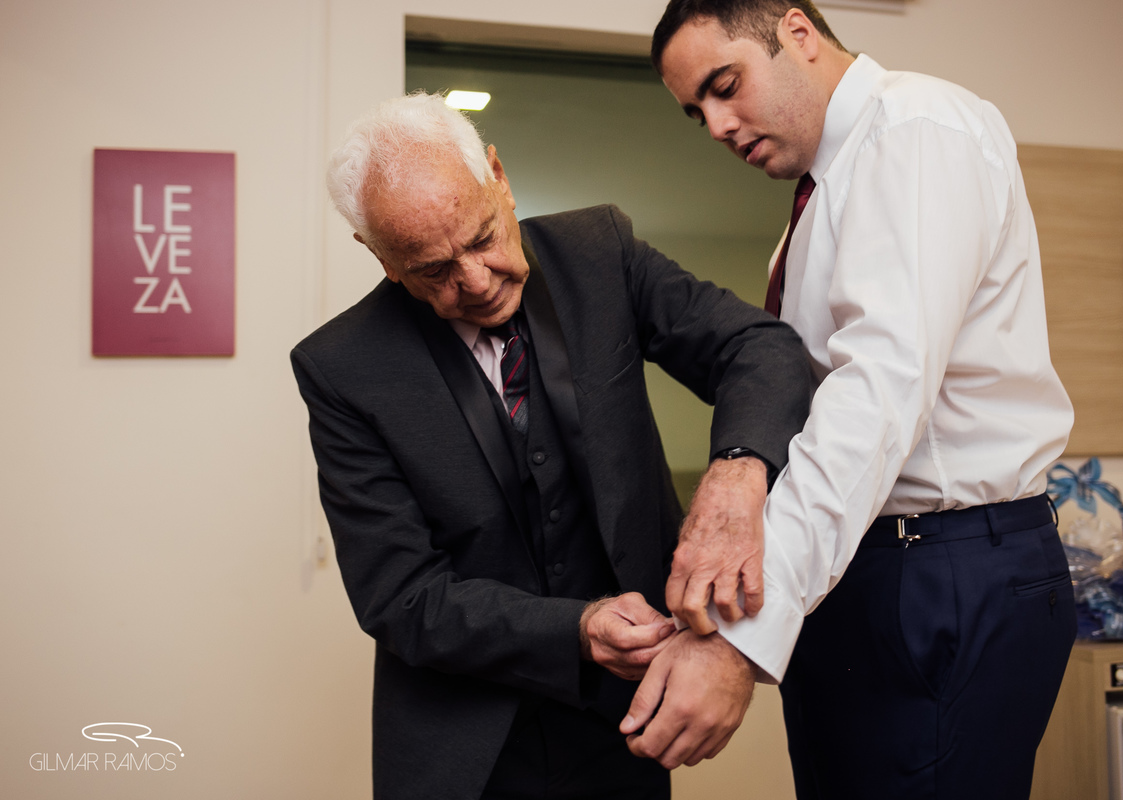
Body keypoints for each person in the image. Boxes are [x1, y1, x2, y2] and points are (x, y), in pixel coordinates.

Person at [290, 92, 811, 800]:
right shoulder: (342, 367)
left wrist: (737, 473)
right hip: (464, 755)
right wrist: (577, 626)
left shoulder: (599, 252)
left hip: (627, 727)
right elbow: (401, 597)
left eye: (480, 239)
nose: (475, 282)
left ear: (498, 177)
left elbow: (758, 348)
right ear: (380, 258)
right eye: (433, 270)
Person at [635, 1, 1078, 797]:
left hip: (944, 570)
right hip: (880, 569)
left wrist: (740, 641)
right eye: (696, 110)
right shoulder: (822, 195)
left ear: (799, 34)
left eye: (725, 85)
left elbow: (877, 391)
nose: (716, 125)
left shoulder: (913, 130)